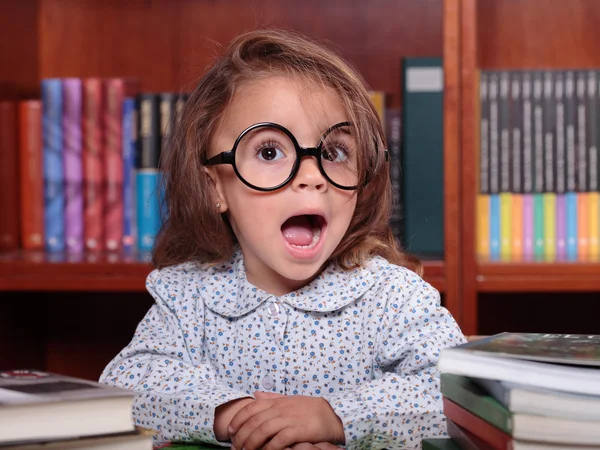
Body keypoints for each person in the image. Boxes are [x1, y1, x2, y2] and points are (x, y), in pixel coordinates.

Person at [100, 28, 466, 450]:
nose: (311, 177)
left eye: (334, 152)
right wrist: (234, 415)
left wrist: (336, 416)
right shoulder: (189, 298)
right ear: (214, 188)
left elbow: (457, 396)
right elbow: (126, 384)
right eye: (270, 152)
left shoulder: (391, 298)